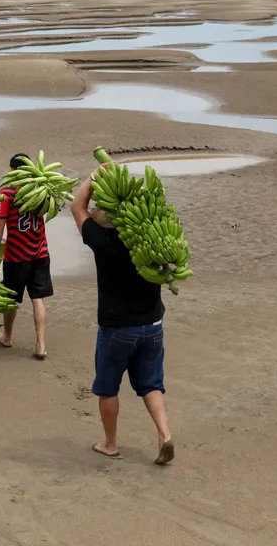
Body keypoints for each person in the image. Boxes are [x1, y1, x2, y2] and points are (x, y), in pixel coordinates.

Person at [70, 165, 174, 465]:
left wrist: (93, 177)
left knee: (108, 387)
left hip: (117, 328)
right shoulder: (152, 242)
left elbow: (77, 207)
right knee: (151, 384)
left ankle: (110, 444)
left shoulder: (101, 241)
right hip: (152, 324)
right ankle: (164, 434)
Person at [0, 153, 52, 359]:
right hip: (40, 252)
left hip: (16, 256)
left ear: (12, 170)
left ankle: (7, 336)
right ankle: (41, 345)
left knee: (10, 298)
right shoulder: (41, 189)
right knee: (38, 298)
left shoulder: (6, 193)